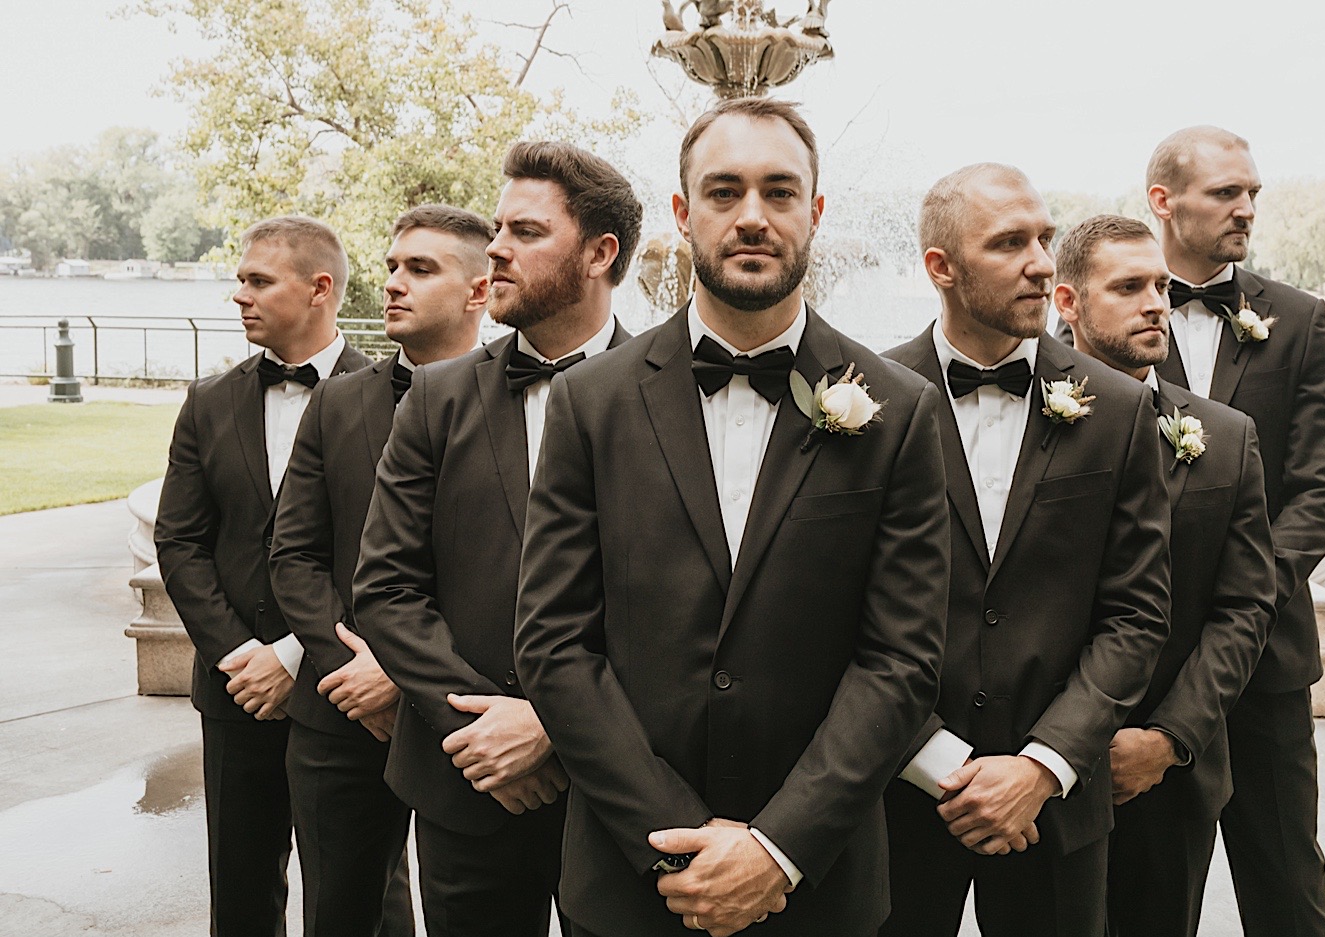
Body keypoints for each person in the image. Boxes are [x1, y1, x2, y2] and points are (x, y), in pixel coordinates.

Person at [513, 97, 950, 937]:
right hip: (628, 879)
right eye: (723, 192)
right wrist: (676, 840)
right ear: (683, 213)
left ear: (816, 212)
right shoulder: (588, 401)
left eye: (779, 192)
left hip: (817, 884)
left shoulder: (900, 410)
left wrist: (776, 846)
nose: (752, 216)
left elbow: (900, 660)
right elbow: (554, 643)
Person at [352, 142, 641, 937]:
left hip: (620, 789)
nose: (497, 248)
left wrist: (553, 724)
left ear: (599, 253)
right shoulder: (437, 398)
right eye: (496, 227)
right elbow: (384, 588)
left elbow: (684, 603)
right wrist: (479, 726)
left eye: (524, 231)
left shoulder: (670, 392)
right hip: (463, 780)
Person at [881, 165, 1171, 937]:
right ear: (940, 267)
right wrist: (938, 762)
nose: (1042, 261)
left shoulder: (1117, 411)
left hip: (1060, 807)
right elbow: (829, 610)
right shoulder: (864, 397)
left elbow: (1137, 615)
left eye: (1044, 238)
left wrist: (1042, 765)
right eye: (1010, 242)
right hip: (889, 799)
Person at [269, 205, 494, 936]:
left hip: (462, 717)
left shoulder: (521, 401)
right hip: (338, 715)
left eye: (420, 269)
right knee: (338, 916)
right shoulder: (337, 400)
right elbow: (295, 554)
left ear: (479, 291)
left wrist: (403, 672)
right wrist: (350, 672)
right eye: (393, 265)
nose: (393, 283)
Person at [1148, 126, 1325, 937]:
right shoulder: (1105, 309)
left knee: (1287, 883)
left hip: (1266, 664)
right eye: (1227, 193)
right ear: (1163, 201)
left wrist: (1247, 600)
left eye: (1253, 194)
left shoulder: (1299, 320)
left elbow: (1319, 486)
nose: (1246, 209)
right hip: (1149, 671)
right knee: (1154, 892)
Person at [1053, 213, 1275, 937]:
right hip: (1035, 769)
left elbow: (1245, 606)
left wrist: (1169, 739)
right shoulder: (1018, 425)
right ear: (1068, 302)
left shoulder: (1226, 439)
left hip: (1164, 774)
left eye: (1160, 285)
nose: (1157, 302)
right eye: (1128, 287)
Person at [155, 216, 372, 936]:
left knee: (362, 897)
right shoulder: (208, 400)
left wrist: (294, 653)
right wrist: (241, 654)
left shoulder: (399, 396)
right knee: (241, 890)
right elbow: (181, 540)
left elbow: (389, 556)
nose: (239, 295)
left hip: (348, 691)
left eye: (257, 280)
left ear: (320, 288)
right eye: (240, 280)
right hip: (234, 691)